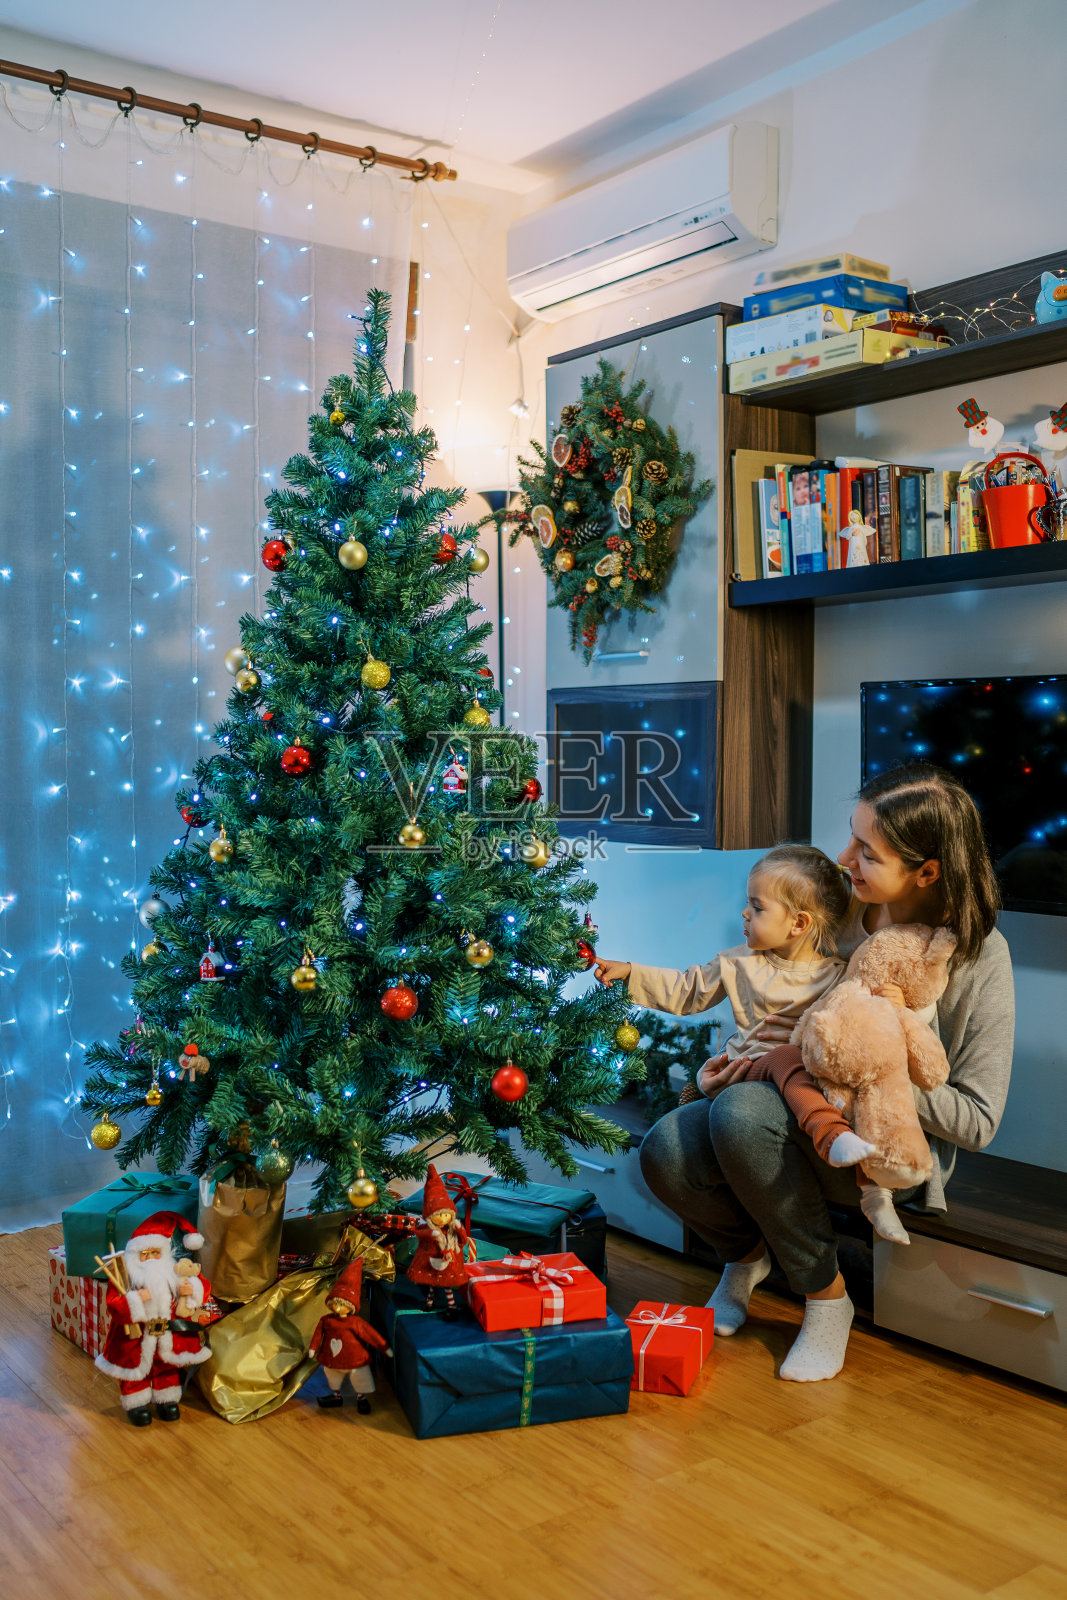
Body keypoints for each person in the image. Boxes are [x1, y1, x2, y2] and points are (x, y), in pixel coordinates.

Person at [600, 764, 1014, 1383]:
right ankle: (742, 1261)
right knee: (666, 1148)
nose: (844, 857)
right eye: (852, 837)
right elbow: (748, 985)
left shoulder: (978, 957)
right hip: (778, 1100)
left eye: (866, 852)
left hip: (882, 1154)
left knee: (740, 1115)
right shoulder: (834, 912)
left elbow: (978, 1122)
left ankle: (827, 1300)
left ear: (926, 872)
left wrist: (869, 1060)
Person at [94, 1210, 215, 1425]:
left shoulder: (175, 1272)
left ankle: (166, 1400)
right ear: (134, 1255)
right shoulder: (125, 1278)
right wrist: (135, 1299)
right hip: (136, 1336)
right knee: (135, 1368)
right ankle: (136, 1403)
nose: (150, 1259)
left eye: (155, 1253)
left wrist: (192, 1289)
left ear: (164, 1253)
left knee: (166, 1365)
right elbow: (113, 1305)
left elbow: (204, 1287)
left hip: (169, 1332)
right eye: (144, 1254)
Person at [309, 1260, 391, 1413]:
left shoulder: (355, 1322)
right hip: (332, 1356)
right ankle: (336, 1396)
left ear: (351, 1306)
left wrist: (384, 1347)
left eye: (342, 1304)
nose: (337, 1307)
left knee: (359, 1376)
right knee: (332, 1374)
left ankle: (361, 1398)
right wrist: (313, 1348)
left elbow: (370, 1334)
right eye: (335, 1303)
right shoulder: (326, 1320)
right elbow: (318, 1334)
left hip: (354, 1358)